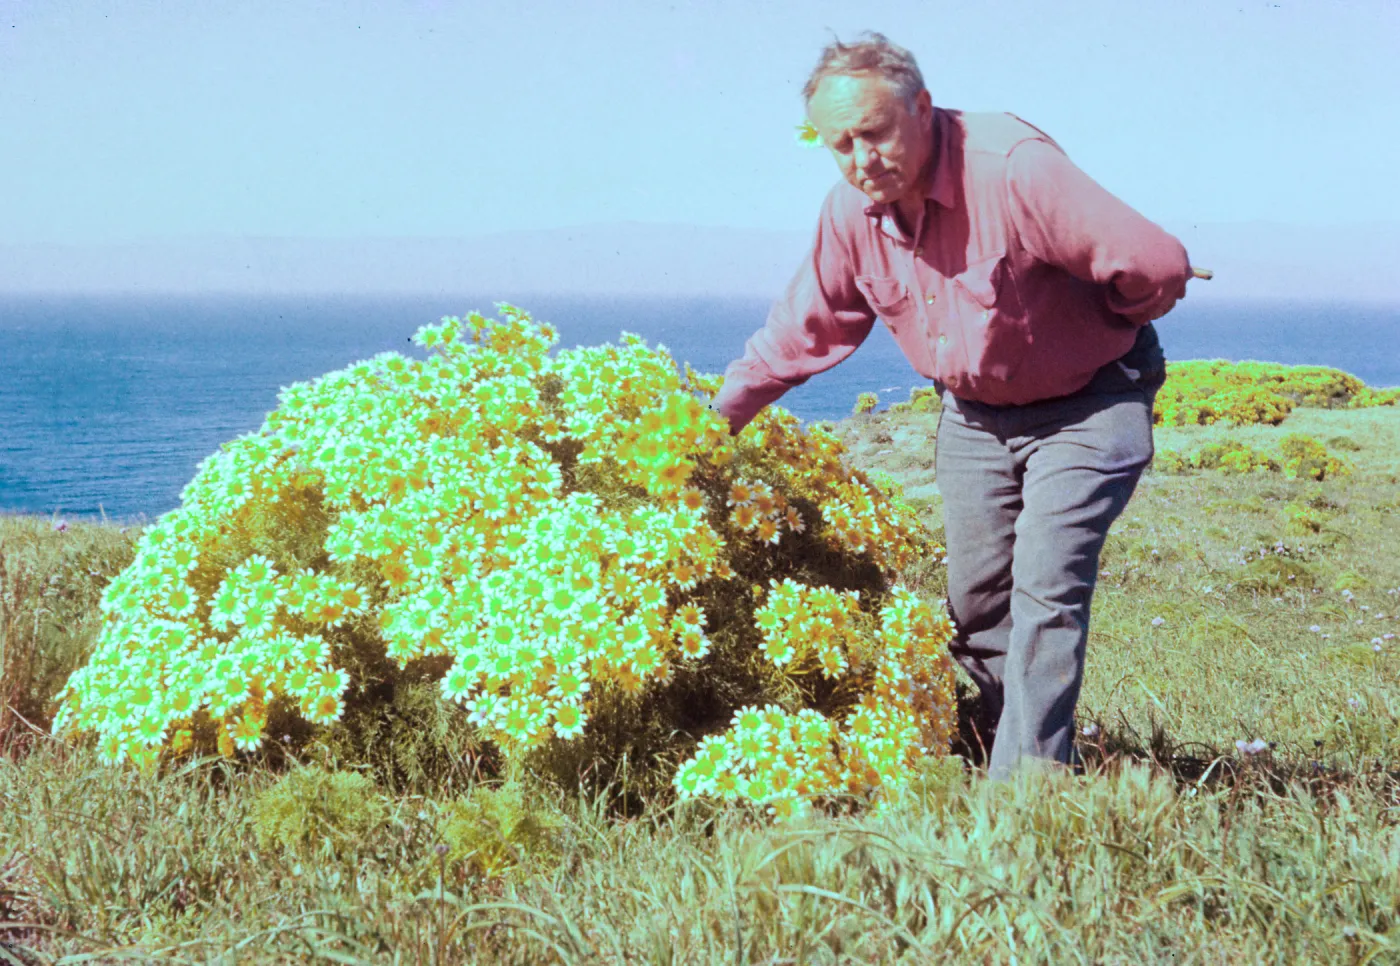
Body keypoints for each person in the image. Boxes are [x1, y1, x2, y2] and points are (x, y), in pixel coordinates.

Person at [709, 32, 1193, 781]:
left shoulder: (1011, 170)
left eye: (874, 133)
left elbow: (1154, 264)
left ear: (923, 108)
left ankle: (1023, 809)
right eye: (839, 144)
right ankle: (993, 747)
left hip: (1089, 406)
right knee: (978, 606)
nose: (860, 159)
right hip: (974, 417)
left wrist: (1106, 322)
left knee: (1045, 588)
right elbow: (804, 331)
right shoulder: (850, 213)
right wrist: (714, 423)